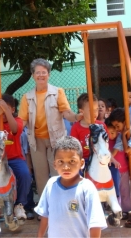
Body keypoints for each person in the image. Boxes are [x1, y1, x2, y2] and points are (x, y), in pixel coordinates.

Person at [18, 58, 82, 197]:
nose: (41, 75)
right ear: (33, 75)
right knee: (41, 176)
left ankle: (61, 202)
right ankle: (45, 209)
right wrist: (12, 131)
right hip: (37, 141)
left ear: (49, 74)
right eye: (38, 72)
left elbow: (66, 113)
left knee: (58, 172)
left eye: (44, 72)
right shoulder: (27, 97)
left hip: (56, 140)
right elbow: (22, 121)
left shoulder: (58, 92)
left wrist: (77, 117)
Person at [35, 136, 107, 238]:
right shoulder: (51, 185)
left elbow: (95, 225)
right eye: (60, 162)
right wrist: (40, 236)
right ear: (54, 164)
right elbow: (45, 215)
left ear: (81, 163)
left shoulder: (87, 189)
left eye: (72, 161)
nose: (66, 167)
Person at [0, 93, 32, 221]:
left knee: (25, 175)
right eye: (0, 110)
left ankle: (19, 204)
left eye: (6, 110)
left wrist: (6, 111)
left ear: (13, 109)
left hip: (14, 158)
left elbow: (14, 130)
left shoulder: (17, 120)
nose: (3, 113)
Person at [70, 93, 109, 171]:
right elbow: (74, 148)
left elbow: (106, 143)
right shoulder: (76, 128)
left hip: (100, 158)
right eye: (91, 110)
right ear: (82, 111)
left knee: (114, 172)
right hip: (84, 160)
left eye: (96, 109)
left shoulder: (101, 125)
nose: (95, 113)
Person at [105, 119, 131, 220]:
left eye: (112, 133)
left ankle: (126, 210)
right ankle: (116, 210)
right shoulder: (105, 143)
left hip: (123, 169)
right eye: (108, 133)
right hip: (112, 171)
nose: (110, 135)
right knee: (115, 192)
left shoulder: (120, 139)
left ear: (117, 132)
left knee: (125, 190)